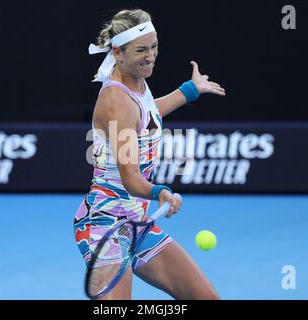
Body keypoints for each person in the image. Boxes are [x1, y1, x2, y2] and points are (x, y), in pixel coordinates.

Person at [74, 9, 225, 300]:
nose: (151, 55)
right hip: (107, 226)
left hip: (138, 222)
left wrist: (190, 90)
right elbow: (130, 179)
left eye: (154, 46)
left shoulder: (136, 82)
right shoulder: (116, 100)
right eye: (141, 50)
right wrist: (162, 192)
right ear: (118, 53)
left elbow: (146, 113)